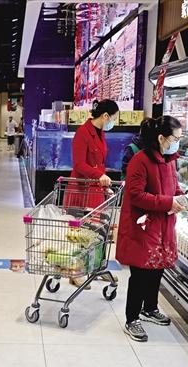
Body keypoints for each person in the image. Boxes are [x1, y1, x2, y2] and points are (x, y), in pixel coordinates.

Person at [115, 116, 186, 342]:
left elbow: (174, 186)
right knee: (140, 273)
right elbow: (136, 195)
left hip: (163, 225)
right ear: (161, 138)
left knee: (158, 268)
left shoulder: (169, 160)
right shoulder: (140, 160)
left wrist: (180, 198)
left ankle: (150, 308)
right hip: (143, 226)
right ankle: (132, 318)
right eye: (175, 138)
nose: (177, 143)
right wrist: (167, 202)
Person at [66, 99, 119, 287]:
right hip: (82, 189)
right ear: (105, 116)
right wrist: (99, 176)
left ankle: (97, 268)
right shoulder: (82, 133)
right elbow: (79, 164)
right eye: (114, 118)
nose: (114, 122)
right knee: (81, 233)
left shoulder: (100, 133)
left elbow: (99, 162)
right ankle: (75, 271)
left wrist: (104, 184)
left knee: (98, 231)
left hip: (95, 189)